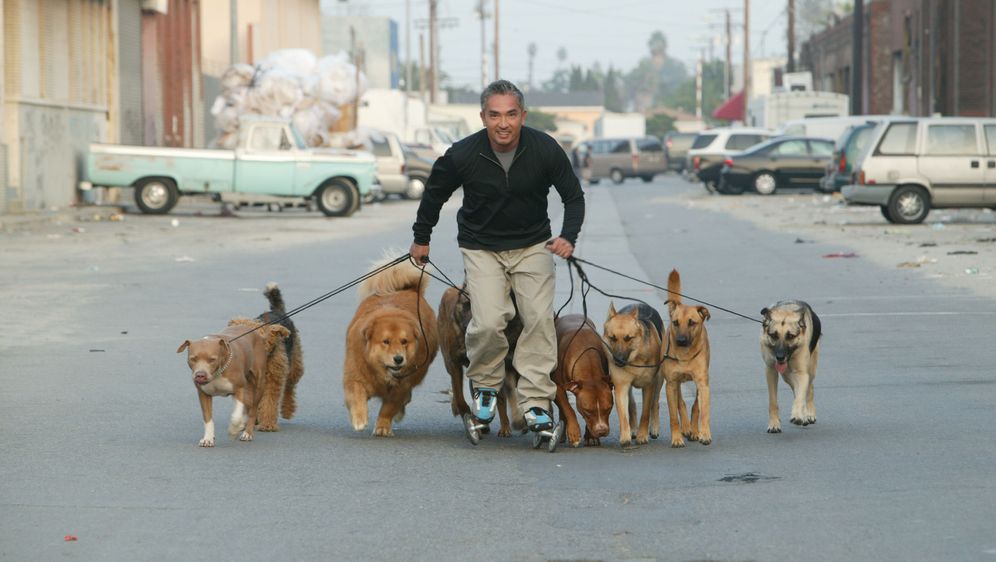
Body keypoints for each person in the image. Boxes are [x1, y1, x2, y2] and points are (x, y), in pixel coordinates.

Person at [409, 79, 585, 437]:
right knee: (489, 321)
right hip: (481, 247)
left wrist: (568, 236)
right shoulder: (462, 153)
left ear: (522, 115)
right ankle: (486, 388)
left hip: (533, 245)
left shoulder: (544, 149)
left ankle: (535, 400)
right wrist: (421, 239)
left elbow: (573, 196)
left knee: (537, 319)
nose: (502, 123)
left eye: (510, 114)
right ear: (483, 117)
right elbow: (434, 194)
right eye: (494, 115)